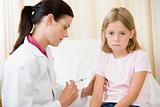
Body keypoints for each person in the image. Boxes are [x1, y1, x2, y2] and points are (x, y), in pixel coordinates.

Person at [1, 0, 96, 107]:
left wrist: (85, 92)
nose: (66, 35)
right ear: (50, 19)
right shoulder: (22, 62)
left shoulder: (45, 52)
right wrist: (61, 104)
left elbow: (52, 91)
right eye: (65, 27)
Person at [90, 7, 151, 107]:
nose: (116, 39)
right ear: (105, 33)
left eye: (122, 33)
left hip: (134, 104)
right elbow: (97, 96)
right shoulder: (102, 59)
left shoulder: (140, 57)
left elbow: (132, 95)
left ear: (131, 34)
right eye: (111, 33)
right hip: (108, 104)